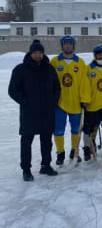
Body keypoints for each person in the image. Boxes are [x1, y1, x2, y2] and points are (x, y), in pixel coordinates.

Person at [8, 40, 61, 181]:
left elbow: (57, 88)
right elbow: (13, 90)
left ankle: (46, 165)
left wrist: (53, 101)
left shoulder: (49, 69)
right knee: (26, 142)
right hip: (29, 113)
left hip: (47, 112)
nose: (38, 55)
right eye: (35, 53)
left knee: (46, 140)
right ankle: (26, 169)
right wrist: (25, 102)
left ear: (43, 53)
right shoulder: (20, 69)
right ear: (30, 53)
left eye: (40, 52)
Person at [50, 36, 91, 165]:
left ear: (73, 46)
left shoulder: (80, 63)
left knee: (76, 130)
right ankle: (60, 153)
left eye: (70, 44)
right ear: (62, 46)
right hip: (59, 103)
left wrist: (84, 99)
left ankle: (74, 151)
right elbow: (49, 82)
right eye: (65, 44)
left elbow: (85, 82)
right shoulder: (55, 62)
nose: (67, 46)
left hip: (76, 102)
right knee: (58, 130)